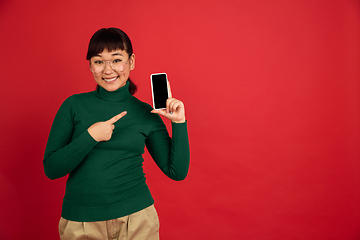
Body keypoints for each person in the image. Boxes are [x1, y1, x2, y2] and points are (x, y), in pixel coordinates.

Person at [43, 27, 190, 240]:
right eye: (99, 61)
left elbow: (177, 172)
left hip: (137, 220)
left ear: (131, 62)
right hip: (82, 222)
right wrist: (90, 137)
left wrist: (179, 123)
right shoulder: (73, 105)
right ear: (91, 66)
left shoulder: (146, 112)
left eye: (116, 59)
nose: (108, 70)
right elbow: (51, 168)